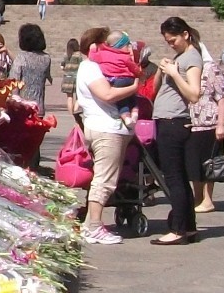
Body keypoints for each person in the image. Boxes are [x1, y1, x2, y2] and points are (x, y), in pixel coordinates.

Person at [74, 26, 136, 245]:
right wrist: (135, 86)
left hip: (104, 127)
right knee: (104, 179)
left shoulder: (94, 67)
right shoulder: (91, 68)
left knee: (104, 177)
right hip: (106, 128)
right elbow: (108, 94)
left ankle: (91, 223)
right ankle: (95, 226)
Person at [150, 16, 208, 246]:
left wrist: (173, 73)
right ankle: (189, 227)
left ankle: (178, 229)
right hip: (169, 120)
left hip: (174, 122)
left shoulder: (191, 57)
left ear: (185, 34)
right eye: (168, 41)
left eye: (173, 40)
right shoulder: (181, 56)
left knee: (174, 177)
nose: (171, 44)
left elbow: (194, 94)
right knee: (180, 178)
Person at [191, 33, 224, 216]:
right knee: (194, 164)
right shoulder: (187, 69)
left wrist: (221, 125)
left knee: (208, 165)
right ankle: (197, 198)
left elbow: (222, 99)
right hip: (191, 124)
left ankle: (207, 200)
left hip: (208, 124)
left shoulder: (211, 69)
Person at [13, 24, 52, 109]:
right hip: (39, 106)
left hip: (22, 106)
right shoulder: (46, 58)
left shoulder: (21, 57)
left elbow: (15, 82)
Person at [60, 38, 84, 117]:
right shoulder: (78, 55)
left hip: (67, 78)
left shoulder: (66, 54)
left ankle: (70, 114)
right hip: (76, 78)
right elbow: (82, 65)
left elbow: (62, 66)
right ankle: (76, 112)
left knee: (69, 97)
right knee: (78, 97)